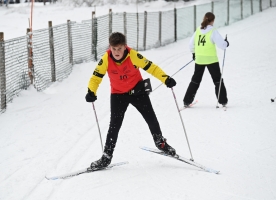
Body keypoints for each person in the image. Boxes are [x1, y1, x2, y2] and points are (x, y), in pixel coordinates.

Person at [85, 32, 177, 170]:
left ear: (125, 47)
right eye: (114, 49)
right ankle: (106, 157)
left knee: (151, 117)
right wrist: (91, 91)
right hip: (118, 95)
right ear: (110, 47)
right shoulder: (106, 59)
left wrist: (165, 78)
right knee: (114, 126)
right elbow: (95, 77)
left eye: (119, 48)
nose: (116, 52)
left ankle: (160, 143)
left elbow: (151, 67)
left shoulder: (132, 55)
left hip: (138, 92)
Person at [183, 12, 229, 107]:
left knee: (195, 80)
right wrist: (226, 43)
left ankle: (187, 101)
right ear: (212, 20)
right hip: (211, 59)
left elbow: (191, 44)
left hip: (199, 59)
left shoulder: (198, 30)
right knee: (217, 80)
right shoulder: (213, 31)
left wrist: (194, 53)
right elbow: (222, 45)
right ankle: (223, 100)